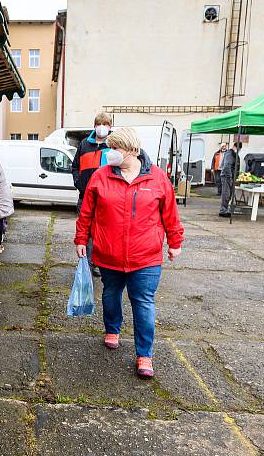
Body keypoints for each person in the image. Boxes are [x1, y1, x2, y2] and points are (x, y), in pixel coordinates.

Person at [74, 127, 184, 379]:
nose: (109, 153)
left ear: (132, 150)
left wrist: (174, 242)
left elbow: (170, 214)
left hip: (145, 257)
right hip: (109, 253)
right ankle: (112, 329)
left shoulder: (157, 179)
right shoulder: (101, 177)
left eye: (115, 148)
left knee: (143, 303)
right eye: (109, 147)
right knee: (111, 294)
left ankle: (144, 355)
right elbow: (87, 213)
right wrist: (81, 238)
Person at [71, 112, 113, 276]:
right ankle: (85, 264)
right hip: (85, 196)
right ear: (95, 125)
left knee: (101, 232)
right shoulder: (84, 144)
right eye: (99, 124)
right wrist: (78, 182)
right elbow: (75, 166)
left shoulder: (113, 145)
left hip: (104, 198)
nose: (102, 127)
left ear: (110, 127)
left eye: (106, 124)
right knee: (84, 232)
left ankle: (97, 263)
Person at [219, 141, 242, 217]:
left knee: (229, 194)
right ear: (235, 147)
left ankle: (226, 209)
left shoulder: (234, 154)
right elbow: (226, 166)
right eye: (238, 149)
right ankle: (223, 211)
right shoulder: (229, 154)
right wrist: (230, 177)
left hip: (231, 176)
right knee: (226, 194)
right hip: (226, 176)